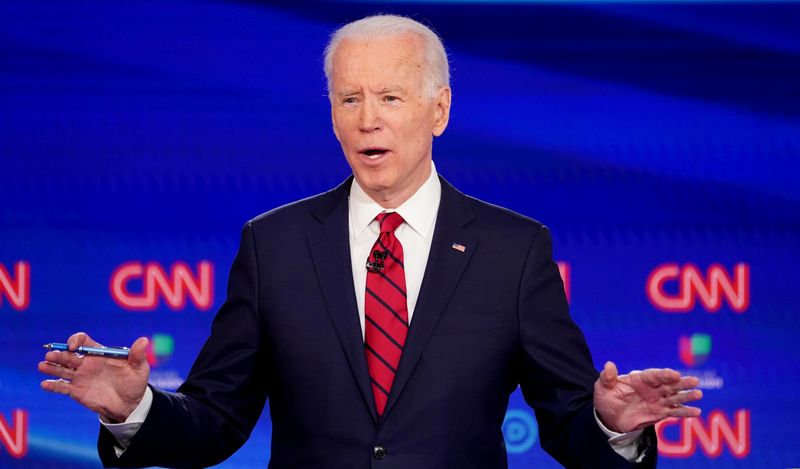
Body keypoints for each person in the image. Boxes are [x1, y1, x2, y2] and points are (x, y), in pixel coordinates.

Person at [38, 14, 702, 468]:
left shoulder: (514, 249)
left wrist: (614, 425)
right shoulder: (274, 244)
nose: (367, 119)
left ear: (439, 109)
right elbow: (216, 417)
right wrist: (135, 410)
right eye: (349, 99)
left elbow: (565, 421)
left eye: (389, 97)